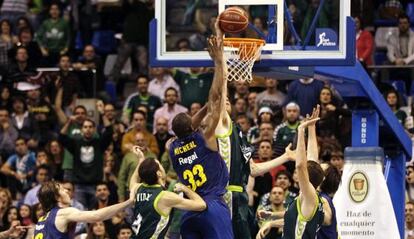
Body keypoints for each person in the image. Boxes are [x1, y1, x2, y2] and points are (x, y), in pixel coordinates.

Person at [169, 34, 233, 238]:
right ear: (192, 126)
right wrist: (219, 61)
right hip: (212, 205)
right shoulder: (205, 138)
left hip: (190, 210)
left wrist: (205, 108)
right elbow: (216, 96)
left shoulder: (171, 146)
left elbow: (187, 127)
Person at [128, 150, 207, 238]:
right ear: (159, 173)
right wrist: (185, 189)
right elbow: (201, 205)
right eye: (160, 165)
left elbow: (133, 181)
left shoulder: (137, 188)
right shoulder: (165, 197)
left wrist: (141, 160)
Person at [33, 181, 135, 238]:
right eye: (62, 189)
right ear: (56, 197)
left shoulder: (41, 220)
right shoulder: (63, 213)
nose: (67, 191)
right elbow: (97, 216)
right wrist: (128, 202)